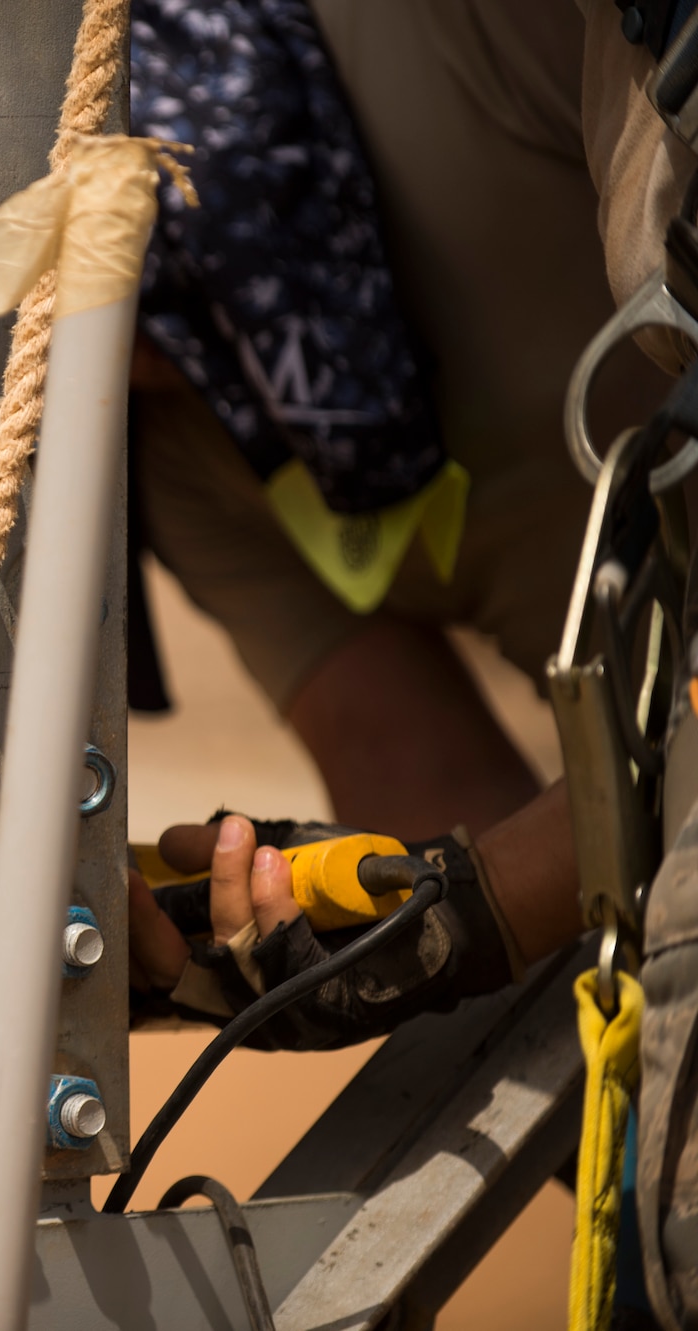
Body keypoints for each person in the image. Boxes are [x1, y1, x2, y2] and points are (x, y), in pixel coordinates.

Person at [127, 0, 698, 1321]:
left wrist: (481, 897)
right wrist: (292, 943)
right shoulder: (170, 448)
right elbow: (429, 784)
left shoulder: (436, 29)